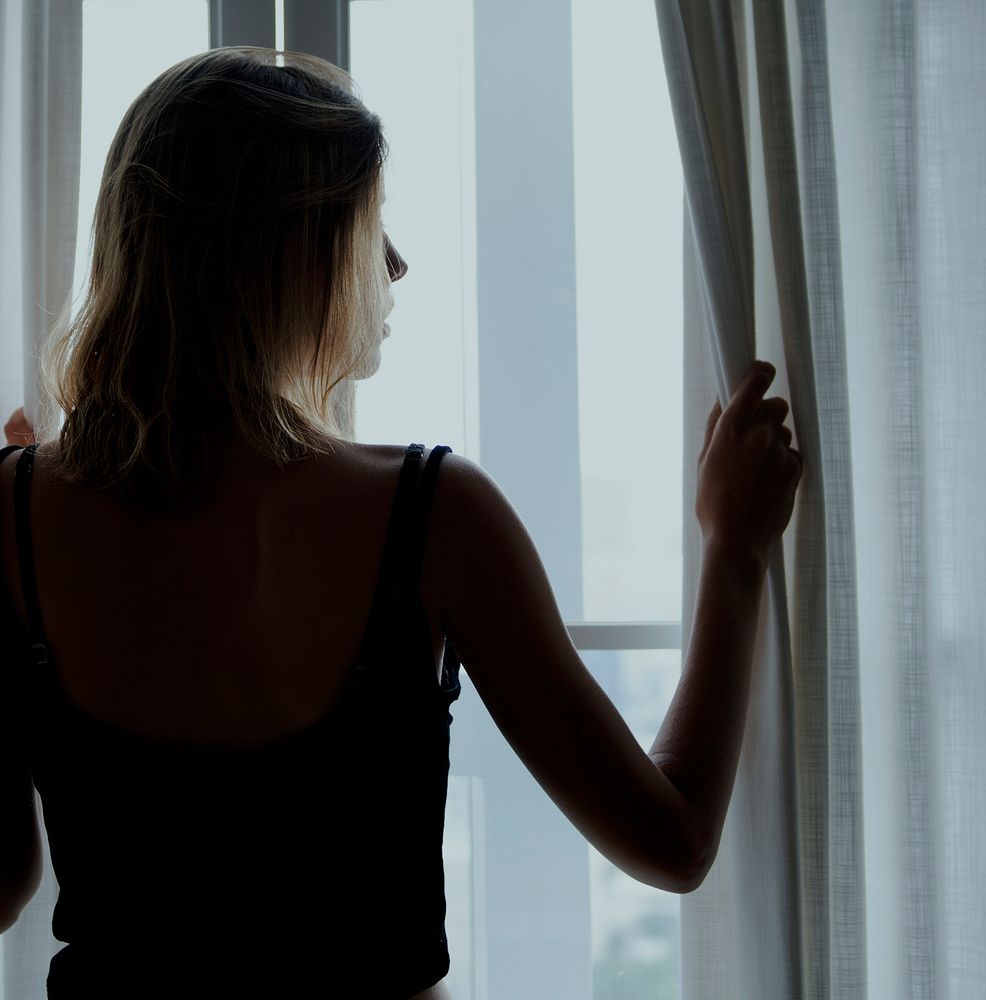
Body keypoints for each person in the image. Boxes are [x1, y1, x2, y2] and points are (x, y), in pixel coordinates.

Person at [0, 47, 801, 1000]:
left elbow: (3, 881)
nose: (396, 263)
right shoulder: (435, 515)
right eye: (367, 226)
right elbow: (672, 839)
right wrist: (736, 550)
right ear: (290, 257)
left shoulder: (10, 517)